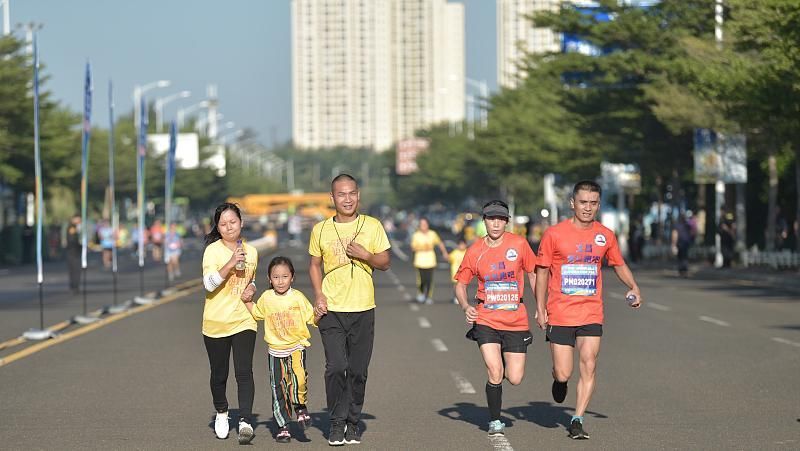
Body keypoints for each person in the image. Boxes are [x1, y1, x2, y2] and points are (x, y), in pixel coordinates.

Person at [535, 180, 643, 440]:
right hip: (560, 311)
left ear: (598, 204)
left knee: (589, 363)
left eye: (593, 203)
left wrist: (634, 286)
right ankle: (559, 381)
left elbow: (618, 264)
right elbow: (542, 272)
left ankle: (577, 419)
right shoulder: (554, 234)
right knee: (564, 372)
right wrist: (540, 307)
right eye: (583, 202)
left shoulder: (604, 235)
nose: (588, 208)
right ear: (572, 203)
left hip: (591, 311)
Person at [308, 174, 391, 446]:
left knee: (357, 370)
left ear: (358, 196)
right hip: (331, 309)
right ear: (332, 198)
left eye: (352, 193)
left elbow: (385, 262)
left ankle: (353, 422)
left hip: (363, 308)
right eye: (341, 194)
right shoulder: (320, 229)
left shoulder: (373, 225)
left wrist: (366, 255)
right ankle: (335, 422)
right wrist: (319, 294)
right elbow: (314, 265)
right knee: (336, 367)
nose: (347, 198)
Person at [454, 200, 537, 437]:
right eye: (491, 218)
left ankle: (503, 355)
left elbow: (533, 273)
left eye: (501, 219)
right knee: (494, 371)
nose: (496, 223)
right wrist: (465, 306)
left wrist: (542, 305)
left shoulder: (519, 244)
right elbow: (460, 285)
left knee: (515, 377)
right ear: (485, 220)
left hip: (515, 320)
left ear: (506, 222)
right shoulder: (476, 250)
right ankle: (495, 420)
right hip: (487, 319)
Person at [242, 256, 321, 443]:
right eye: (276, 277)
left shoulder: (298, 297)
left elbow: (311, 318)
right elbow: (257, 312)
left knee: (298, 379)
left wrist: (319, 314)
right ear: (269, 279)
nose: (280, 281)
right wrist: (246, 300)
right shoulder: (267, 298)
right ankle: (283, 426)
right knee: (278, 388)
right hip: (275, 351)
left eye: (284, 276)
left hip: (296, 346)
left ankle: (300, 406)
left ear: (292, 277)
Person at [201, 203, 259, 444]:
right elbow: (209, 284)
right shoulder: (212, 251)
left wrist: (253, 288)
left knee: (244, 372)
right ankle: (222, 413)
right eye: (223, 224)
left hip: (244, 319)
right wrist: (230, 263)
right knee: (219, 373)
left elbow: (252, 278)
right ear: (218, 227)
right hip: (216, 321)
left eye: (232, 222)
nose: (228, 227)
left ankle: (245, 420)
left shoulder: (252, 251)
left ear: (241, 223)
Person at [410, 217, 449, 304]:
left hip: (430, 260)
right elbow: (413, 247)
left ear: (428, 225)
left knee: (429, 280)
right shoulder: (416, 235)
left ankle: (428, 297)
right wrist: (422, 247)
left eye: (425, 224)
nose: (423, 226)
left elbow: (440, 243)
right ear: (419, 226)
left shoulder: (432, 234)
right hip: (420, 260)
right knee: (422, 280)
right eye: (422, 224)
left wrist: (444, 253)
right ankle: (421, 294)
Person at [448, 238, 468, 304]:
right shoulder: (455, 252)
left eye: (463, 245)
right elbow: (449, 259)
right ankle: (456, 297)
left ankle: (463, 298)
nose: (462, 246)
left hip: (465, 272)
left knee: (463, 286)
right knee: (456, 286)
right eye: (460, 245)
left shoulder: (467, 252)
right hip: (456, 272)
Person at [65, 215, 81, 294]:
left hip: (72, 251)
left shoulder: (73, 227)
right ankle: (74, 286)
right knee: (75, 270)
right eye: (78, 219)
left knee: (73, 270)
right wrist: (80, 245)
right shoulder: (72, 227)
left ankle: (74, 286)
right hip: (73, 251)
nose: (79, 220)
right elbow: (72, 240)